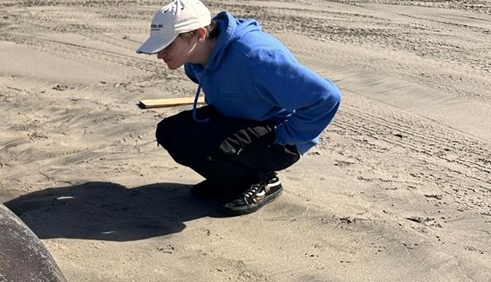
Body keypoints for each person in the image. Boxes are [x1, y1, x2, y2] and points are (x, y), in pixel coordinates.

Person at [137, 0, 341, 215]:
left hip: (279, 135)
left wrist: (284, 138)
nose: (160, 54)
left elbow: (326, 97)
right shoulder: (195, 59)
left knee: (196, 142)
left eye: (167, 45)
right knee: (170, 132)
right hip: (242, 119)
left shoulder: (255, 57)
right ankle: (229, 181)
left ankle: (263, 182)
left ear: (199, 34)